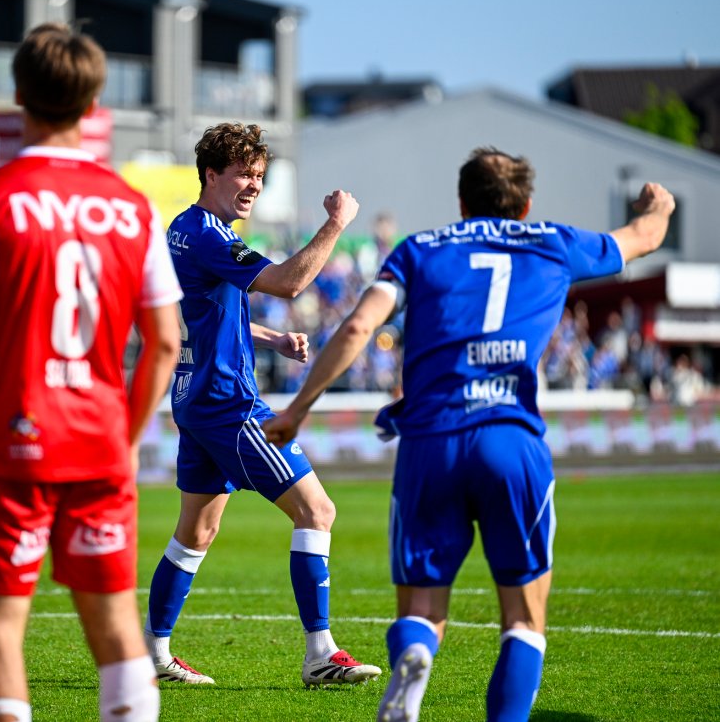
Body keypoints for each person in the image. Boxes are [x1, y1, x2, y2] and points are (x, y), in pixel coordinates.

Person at [263, 148, 676, 721]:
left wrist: (298, 409)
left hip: (431, 442)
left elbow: (360, 324)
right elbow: (643, 237)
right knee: (524, 622)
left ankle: (413, 654)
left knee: (422, 611)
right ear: (526, 205)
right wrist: (660, 205)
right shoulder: (551, 243)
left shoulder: (421, 250)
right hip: (510, 441)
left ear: (461, 203)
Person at [0, 23, 181, 722]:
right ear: (95, 100)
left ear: (18, 95)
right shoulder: (134, 207)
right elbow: (164, 343)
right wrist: (124, 440)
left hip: (13, 443)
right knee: (116, 628)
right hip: (99, 443)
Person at [144, 121, 382, 689]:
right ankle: (320, 653)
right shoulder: (208, 234)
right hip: (227, 404)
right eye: (242, 175)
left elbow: (206, 316)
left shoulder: (185, 229)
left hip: (195, 398)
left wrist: (271, 340)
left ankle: (152, 656)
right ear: (210, 173)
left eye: (259, 177)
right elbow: (289, 283)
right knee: (317, 511)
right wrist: (336, 224)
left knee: (194, 535)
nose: (253, 186)